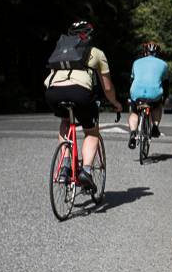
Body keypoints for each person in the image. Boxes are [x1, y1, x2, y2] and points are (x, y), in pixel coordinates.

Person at [44, 20, 123, 191]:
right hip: (79, 93)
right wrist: (116, 104)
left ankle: (65, 165)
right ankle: (86, 171)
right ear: (90, 36)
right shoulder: (96, 52)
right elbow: (107, 88)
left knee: (66, 122)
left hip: (52, 93)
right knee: (91, 131)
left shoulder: (60, 51)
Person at [128, 41, 169, 149]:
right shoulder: (164, 64)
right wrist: (165, 98)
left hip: (137, 92)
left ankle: (133, 133)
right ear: (157, 53)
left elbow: (132, 79)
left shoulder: (136, 62)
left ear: (145, 52)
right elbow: (165, 83)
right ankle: (155, 126)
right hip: (154, 94)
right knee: (157, 105)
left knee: (134, 111)